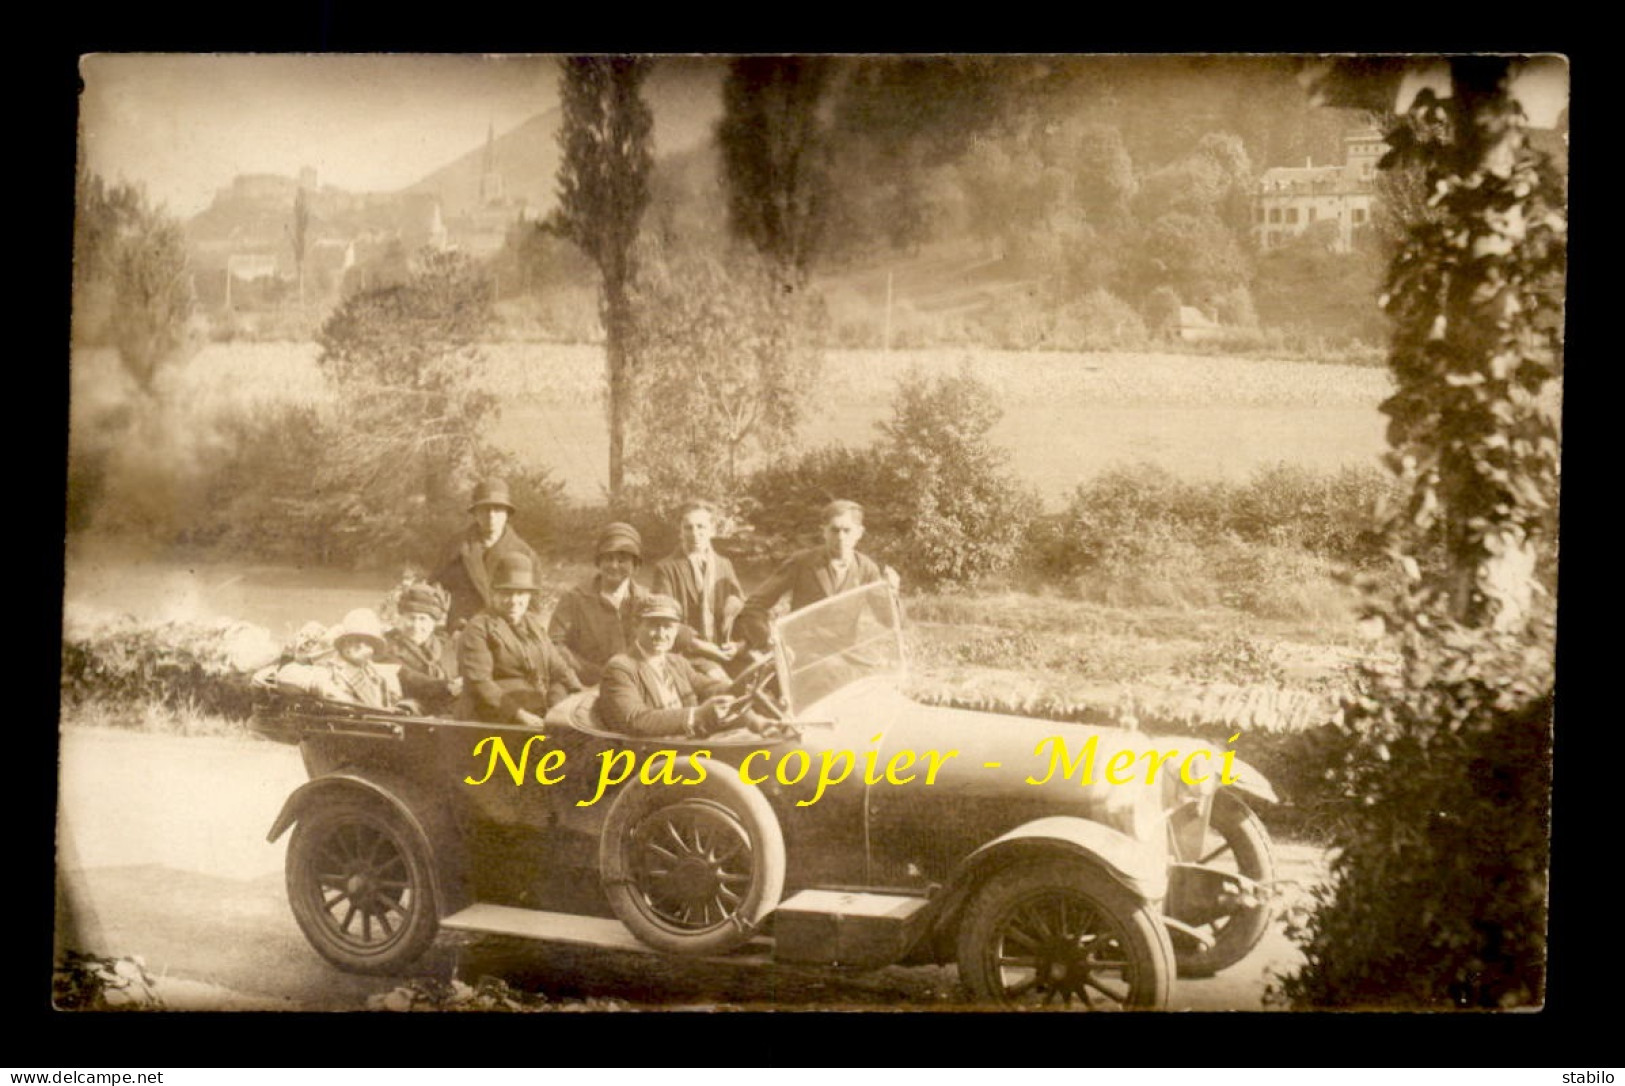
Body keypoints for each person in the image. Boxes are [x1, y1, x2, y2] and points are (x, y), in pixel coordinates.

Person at [735, 499, 899, 652]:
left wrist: (892, 593)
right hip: (800, 654)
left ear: (859, 533)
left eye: (847, 531)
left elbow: (890, 621)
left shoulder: (866, 568)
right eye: (834, 530)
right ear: (824, 531)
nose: (840, 537)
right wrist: (768, 639)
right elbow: (755, 605)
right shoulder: (802, 562)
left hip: (843, 654)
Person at [596, 595, 765, 739]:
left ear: (677, 630)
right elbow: (635, 721)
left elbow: (708, 687)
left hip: (687, 743)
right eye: (654, 626)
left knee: (759, 737)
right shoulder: (620, 668)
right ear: (636, 626)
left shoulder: (676, 662)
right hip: (654, 754)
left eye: (668, 627)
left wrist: (743, 688)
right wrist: (697, 714)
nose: (662, 634)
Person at [549, 522, 695, 686]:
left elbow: (674, 632)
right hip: (585, 682)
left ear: (636, 566)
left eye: (622, 560)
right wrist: (589, 673)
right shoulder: (574, 599)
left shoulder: (645, 601)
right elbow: (555, 645)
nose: (614, 565)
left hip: (637, 683)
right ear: (599, 562)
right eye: (608, 559)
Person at [458, 553, 581, 727]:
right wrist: (520, 715)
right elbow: (480, 683)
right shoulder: (479, 628)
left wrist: (579, 693)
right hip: (492, 721)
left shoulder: (533, 626)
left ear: (529, 596)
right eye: (506, 593)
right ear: (493, 593)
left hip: (536, 714)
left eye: (521, 593)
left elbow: (558, 667)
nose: (514, 601)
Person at [433, 477, 544, 632]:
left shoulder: (525, 554)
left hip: (506, 634)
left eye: (498, 509)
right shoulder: (456, 547)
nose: (491, 516)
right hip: (463, 630)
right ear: (475, 513)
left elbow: (533, 607)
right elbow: (435, 591)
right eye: (485, 509)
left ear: (507, 513)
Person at [648, 500, 744, 680]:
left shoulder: (724, 565)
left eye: (701, 527)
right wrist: (704, 647)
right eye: (688, 528)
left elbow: (741, 608)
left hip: (724, 649)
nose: (695, 534)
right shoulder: (666, 569)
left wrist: (738, 645)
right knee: (724, 683)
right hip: (689, 654)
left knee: (764, 673)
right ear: (680, 532)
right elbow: (663, 621)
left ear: (712, 530)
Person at [381, 583, 461, 716]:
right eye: (411, 618)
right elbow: (406, 677)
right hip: (409, 713)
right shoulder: (386, 646)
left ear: (434, 623)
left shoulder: (445, 646)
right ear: (401, 617)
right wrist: (447, 687)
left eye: (423, 619)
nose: (416, 626)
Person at [319, 608, 404, 710]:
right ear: (343, 644)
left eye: (368, 642)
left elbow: (390, 702)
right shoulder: (329, 671)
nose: (361, 646)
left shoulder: (377, 673)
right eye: (355, 640)